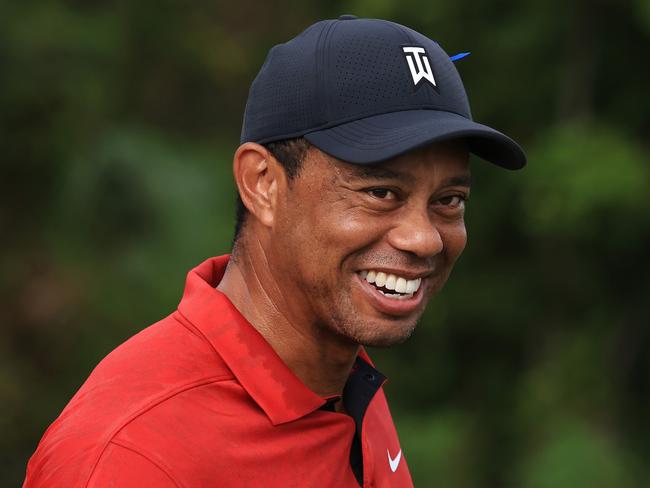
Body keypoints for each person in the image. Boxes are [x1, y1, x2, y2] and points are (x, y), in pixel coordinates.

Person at [23, 15, 526, 487]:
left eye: (448, 200)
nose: (424, 238)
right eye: (380, 192)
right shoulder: (130, 456)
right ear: (262, 183)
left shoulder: (347, 382)